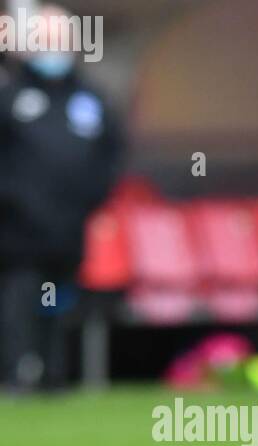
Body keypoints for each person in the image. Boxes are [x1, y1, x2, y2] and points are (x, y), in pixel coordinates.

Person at [0, 3, 122, 394]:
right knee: (19, 302)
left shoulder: (90, 100)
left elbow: (110, 156)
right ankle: (18, 372)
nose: (54, 49)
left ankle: (53, 373)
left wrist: (87, 201)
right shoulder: (11, 97)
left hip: (67, 231)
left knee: (56, 301)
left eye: (60, 40)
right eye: (45, 40)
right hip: (17, 232)